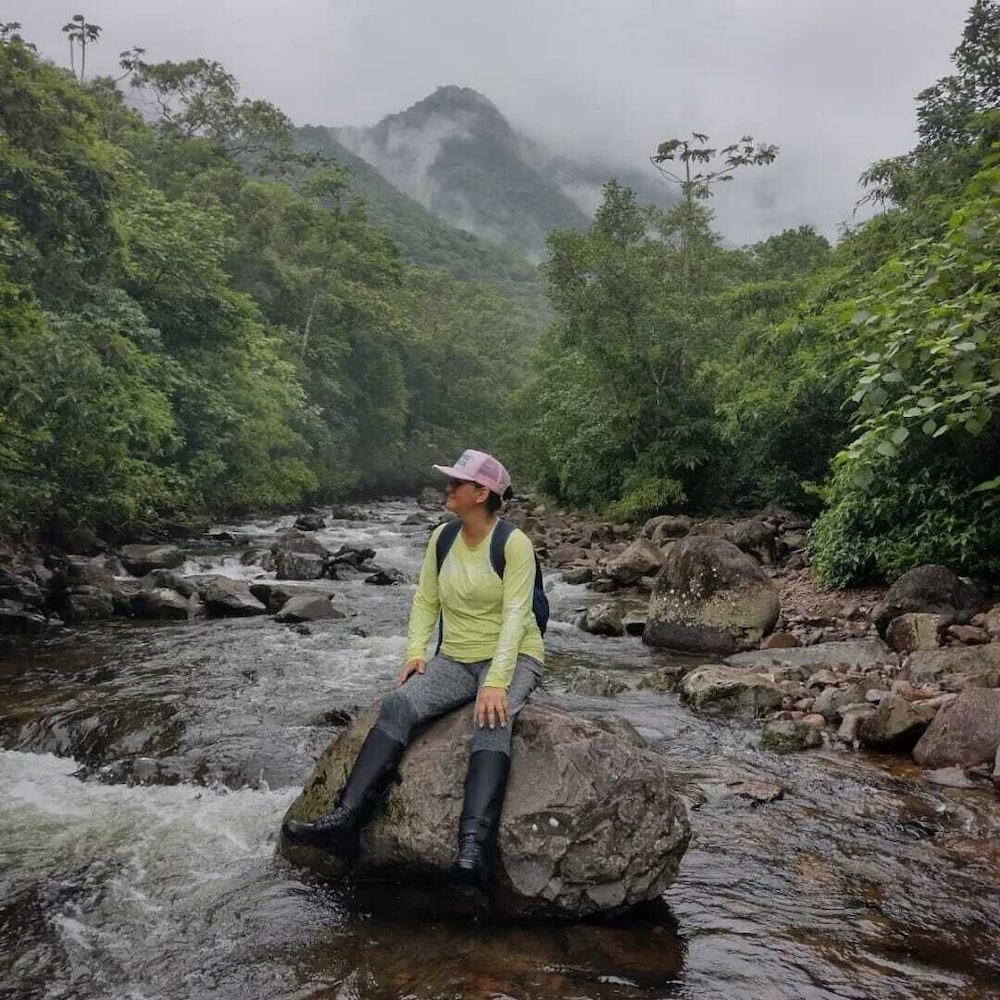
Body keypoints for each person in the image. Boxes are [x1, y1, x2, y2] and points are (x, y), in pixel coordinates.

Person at [283, 449, 545, 886]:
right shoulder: (442, 538)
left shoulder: (513, 544)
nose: (449, 488)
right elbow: (425, 600)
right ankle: (347, 818)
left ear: (483, 494)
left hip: (516, 655)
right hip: (455, 657)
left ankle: (473, 849)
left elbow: (517, 616)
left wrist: (497, 682)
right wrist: (415, 653)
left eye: (458, 483)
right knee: (400, 704)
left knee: (491, 717)